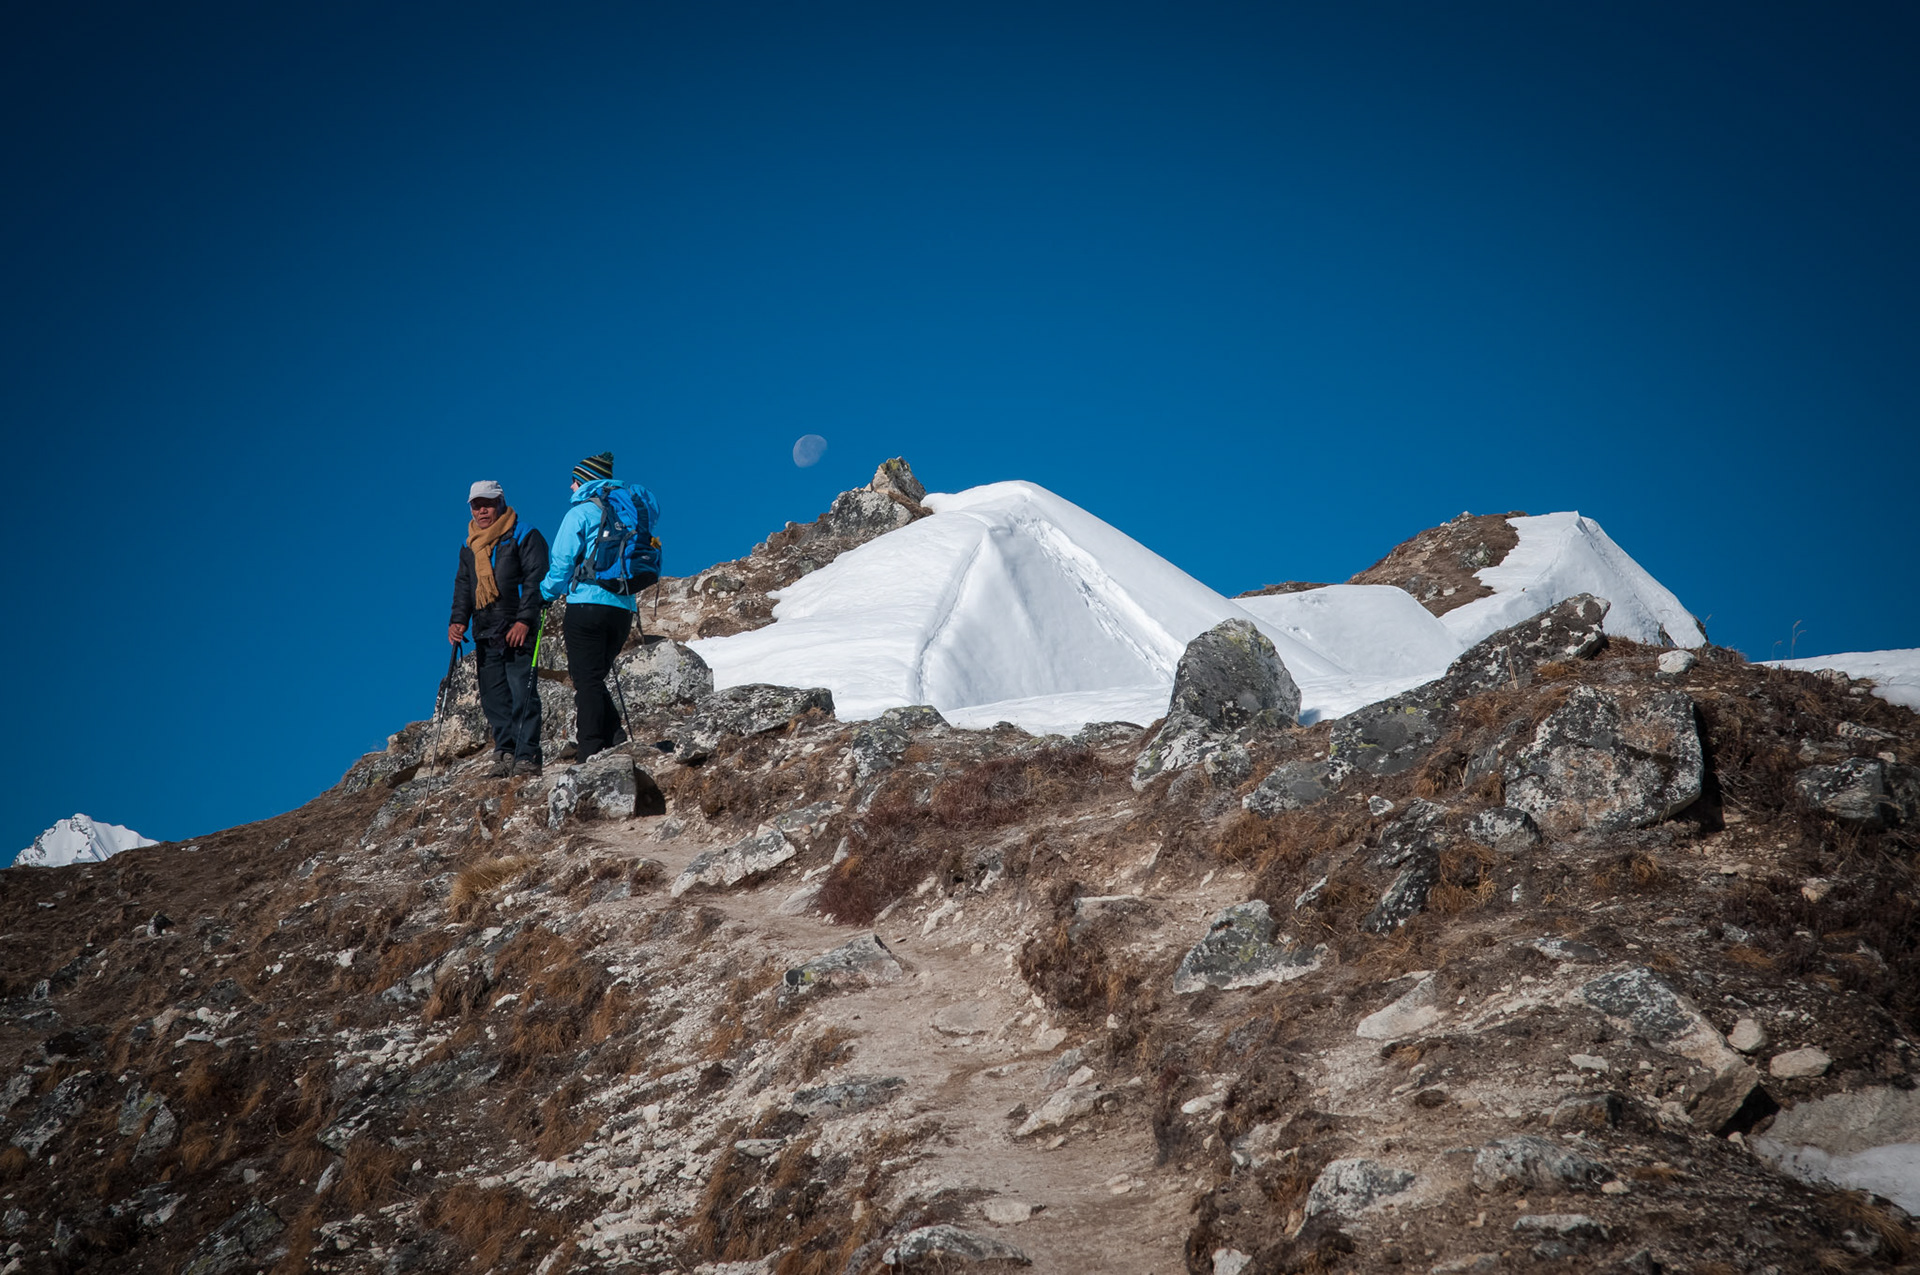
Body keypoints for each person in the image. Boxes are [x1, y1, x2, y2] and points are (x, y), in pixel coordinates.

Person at [540, 452, 661, 764]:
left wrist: (544, 594)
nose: (570, 485)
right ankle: (616, 736)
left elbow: (562, 562)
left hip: (587, 606)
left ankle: (590, 748)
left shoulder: (581, 513)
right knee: (594, 677)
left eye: (574, 479)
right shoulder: (629, 509)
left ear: (585, 480)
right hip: (622, 609)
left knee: (587, 680)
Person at [449, 480, 550, 777]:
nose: (482, 510)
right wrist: (458, 620)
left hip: (516, 626)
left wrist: (524, 620)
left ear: (501, 503)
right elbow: (464, 586)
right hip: (485, 629)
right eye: (476, 505)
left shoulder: (524, 534)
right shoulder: (469, 546)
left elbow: (536, 579)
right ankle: (504, 753)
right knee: (494, 698)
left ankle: (527, 755)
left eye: (488, 504)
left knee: (523, 693)